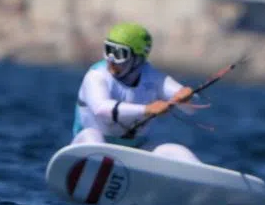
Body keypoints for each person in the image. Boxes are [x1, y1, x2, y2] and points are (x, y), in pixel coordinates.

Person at [71, 22, 201, 162]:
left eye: (119, 53)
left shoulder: (152, 77)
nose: (111, 59)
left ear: (138, 58)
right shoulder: (96, 75)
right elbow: (101, 109)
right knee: (92, 136)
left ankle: (206, 181)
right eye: (108, 49)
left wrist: (187, 97)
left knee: (175, 151)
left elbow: (193, 109)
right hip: (89, 144)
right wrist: (147, 109)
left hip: (135, 150)